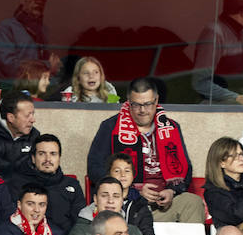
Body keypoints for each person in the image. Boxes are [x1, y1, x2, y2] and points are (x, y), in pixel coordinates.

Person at [85, 78, 203, 225]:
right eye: (136, 105)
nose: (142, 110)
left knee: (193, 202)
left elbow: (186, 168)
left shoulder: (171, 127)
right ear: (128, 102)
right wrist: (133, 189)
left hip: (163, 204)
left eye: (148, 104)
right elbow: (94, 169)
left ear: (156, 100)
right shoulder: (111, 127)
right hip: (127, 204)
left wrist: (171, 191)